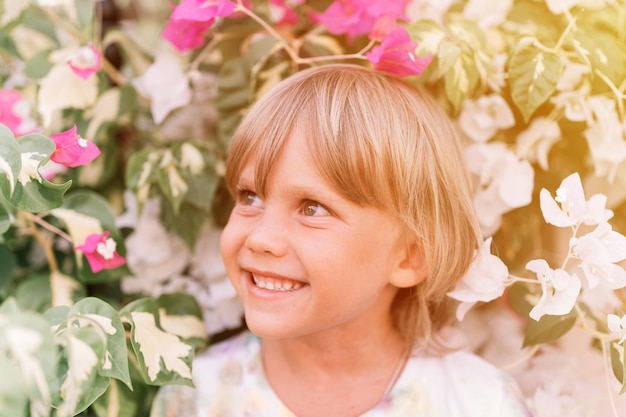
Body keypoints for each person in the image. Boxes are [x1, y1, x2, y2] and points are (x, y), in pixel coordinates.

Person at [150, 64, 532, 417]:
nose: (262, 238)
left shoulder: (478, 403)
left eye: (312, 208)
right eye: (250, 197)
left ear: (411, 256)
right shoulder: (194, 397)